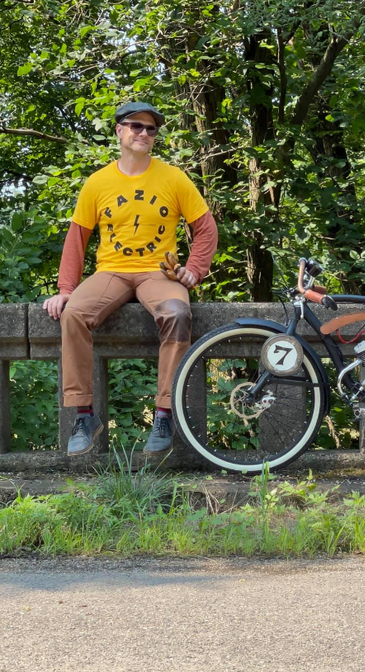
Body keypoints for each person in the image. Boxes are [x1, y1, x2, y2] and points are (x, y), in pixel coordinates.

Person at [43, 101, 218, 456]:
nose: (144, 133)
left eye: (151, 129)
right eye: (136, 126)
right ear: (119, 130)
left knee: (177, 314)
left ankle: (165, 413)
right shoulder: (98, 182)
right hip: (111, 271)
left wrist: (194, 270)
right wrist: (65, 289)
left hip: (158, 272)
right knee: (74, 313)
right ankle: (85, 414)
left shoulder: (173, 177)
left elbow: (206, 229)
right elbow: (77, 239)